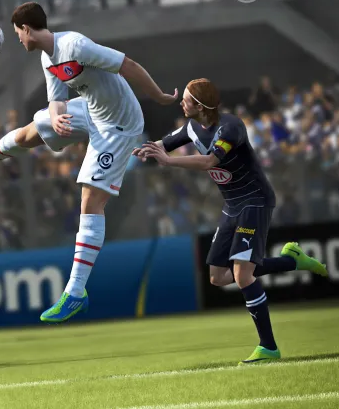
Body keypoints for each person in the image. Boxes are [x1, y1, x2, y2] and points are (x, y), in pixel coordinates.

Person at [0, 2, 177, 323]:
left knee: (90, 200)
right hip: (91, 109)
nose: (17, 39)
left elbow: (127, 64)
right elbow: (57, 101)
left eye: (17, 33)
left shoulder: (75, 45)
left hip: (119, 125)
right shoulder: (47, 57)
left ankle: (76, 292)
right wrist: (56, 118)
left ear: (26, 28)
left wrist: (159, 96)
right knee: (33, 129)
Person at [135, 78, 327, 364]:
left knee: (242, 275)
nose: (181, 103)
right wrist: (144, 150)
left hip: (255, 200)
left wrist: (169, 161)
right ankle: (292, 261)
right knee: (218, 277)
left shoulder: (230, 127)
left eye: (186, 99)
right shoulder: (191, 127)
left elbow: (210, 162)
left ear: (200, 106)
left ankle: (268, 347)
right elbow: (163, 143)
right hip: (232, 205)